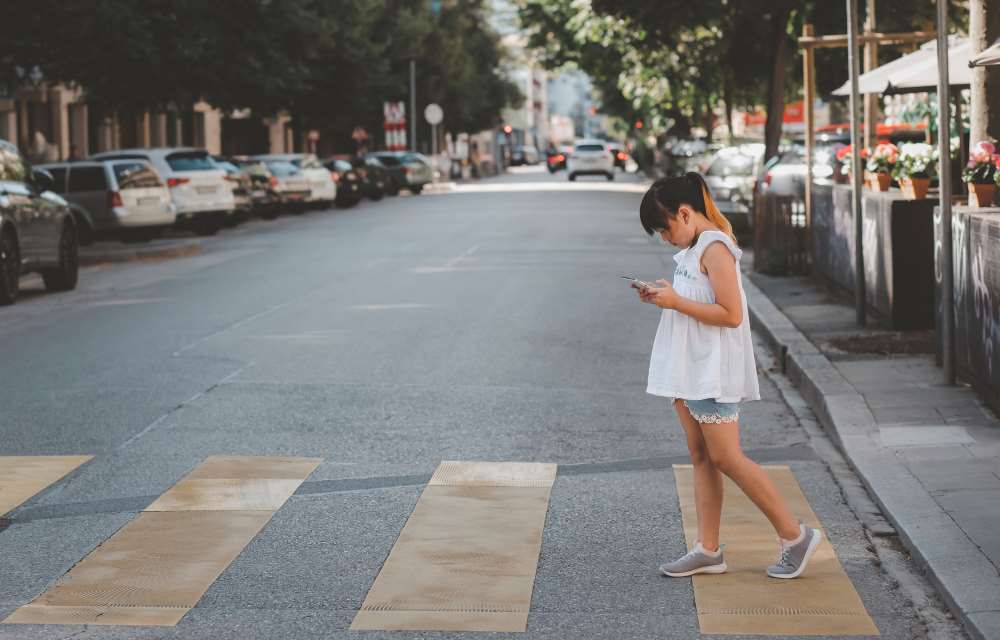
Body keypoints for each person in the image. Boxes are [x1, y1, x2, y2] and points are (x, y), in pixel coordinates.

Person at [633, 173, 821, 580]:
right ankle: (708, 550)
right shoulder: (693, 247)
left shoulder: (714, 246)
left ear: (685, 213)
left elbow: (731, 314)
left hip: (710, 369)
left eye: (665, 228)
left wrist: (676, 301)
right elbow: (696, 296)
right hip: (689, 366)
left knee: (726, 457)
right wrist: (663, 292)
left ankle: (795, 537)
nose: (665, 238)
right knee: (701, 456)